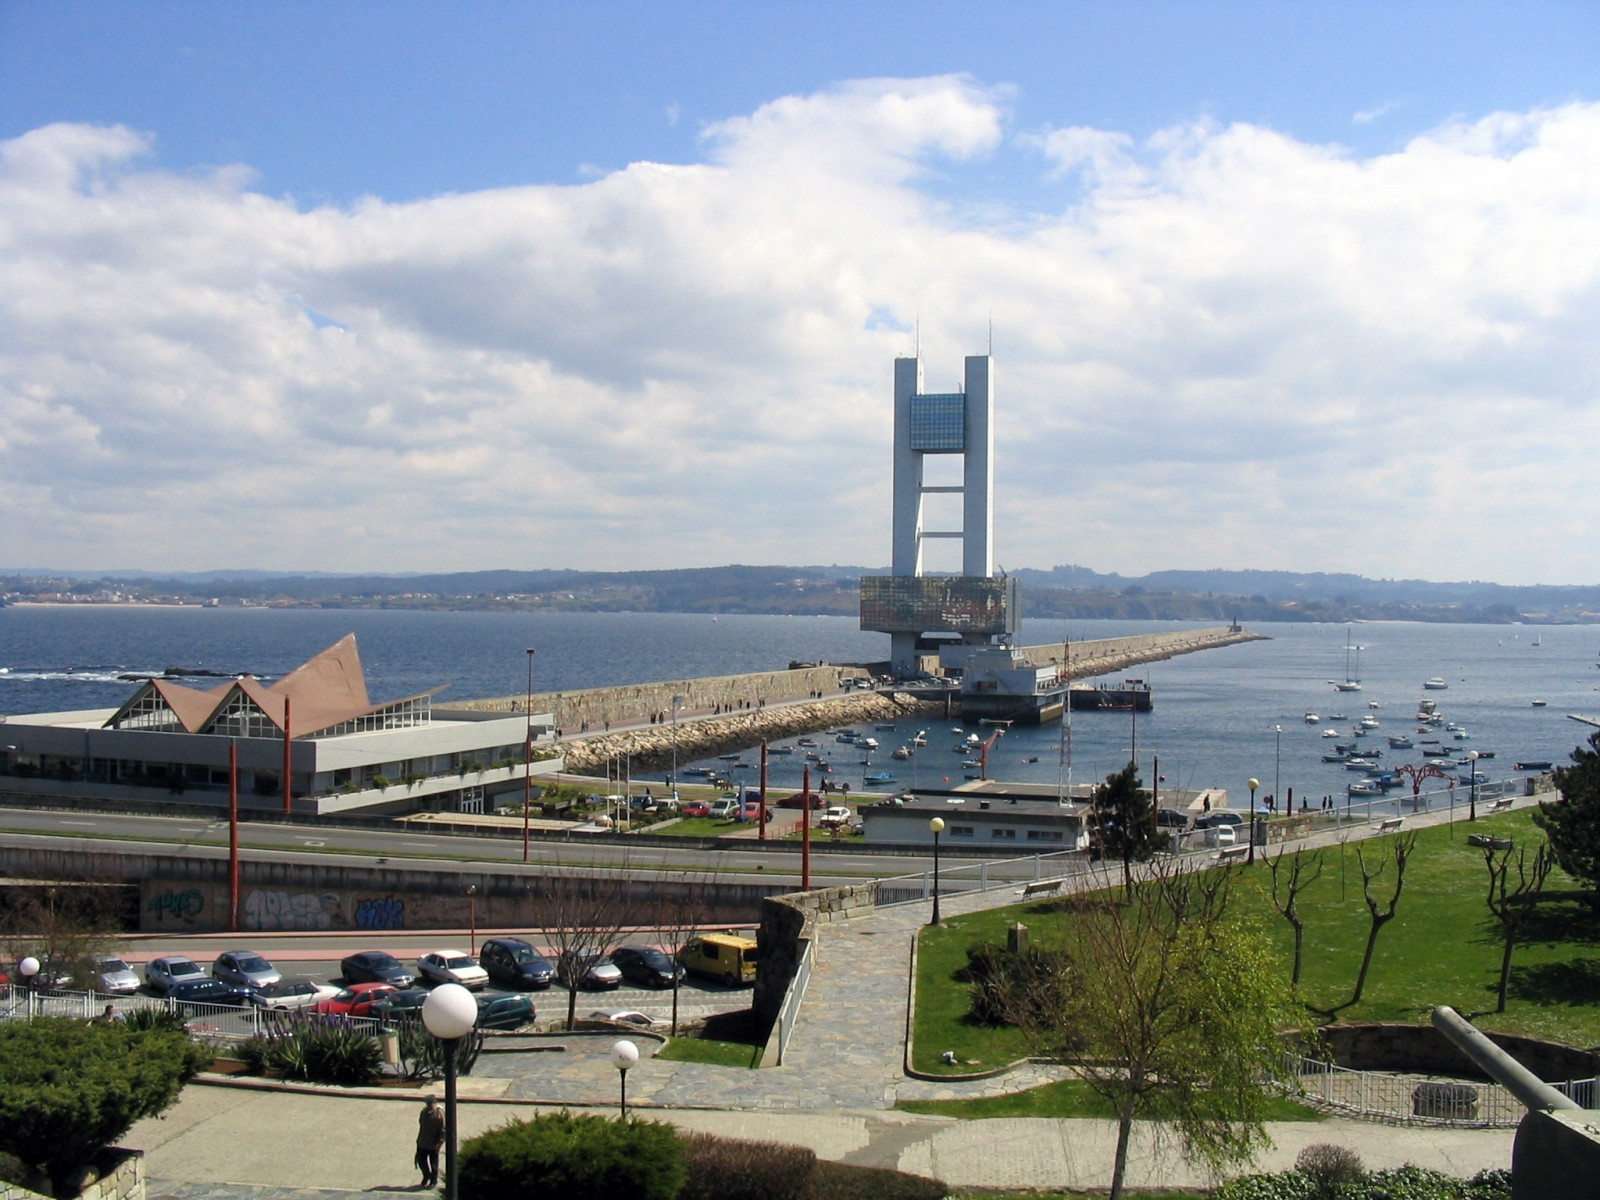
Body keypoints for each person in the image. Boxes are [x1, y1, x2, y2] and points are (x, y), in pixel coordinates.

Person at [416, 1094, 445, 1188]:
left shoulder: (439, 1114)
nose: (427, 1105)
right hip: (423, 1142)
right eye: (426, 1103)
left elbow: (443, 1130)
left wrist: (439, 1143)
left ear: (434, 1103)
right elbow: (421, 1124)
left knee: (434, 1164)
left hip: (434, 1144)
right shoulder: (423, 1112)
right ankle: (426, 1175)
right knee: (421, 1161)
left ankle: (433, 1181)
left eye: (429, 1103)